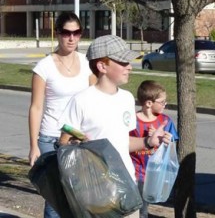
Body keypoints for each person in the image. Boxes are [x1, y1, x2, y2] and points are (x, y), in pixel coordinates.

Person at [57, 35, 172, 218]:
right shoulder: (81, 101)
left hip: (127, 186)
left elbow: (122, 142)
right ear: (102, 66)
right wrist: (76, 145)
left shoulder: (126, 99)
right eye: (122, 62)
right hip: (96, 193)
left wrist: (148, 141)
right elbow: (64, 145)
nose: (129, 66)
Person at [28, 12, 96, 218]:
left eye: (77, 33)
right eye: (66, 33)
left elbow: (93, 101)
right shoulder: (44, 67)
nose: (71, 38)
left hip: (79, 139)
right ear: (57, 34)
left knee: (79, 198)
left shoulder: (87, 63)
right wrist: (34, 146)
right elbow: (36, 108)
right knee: (56, 199)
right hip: (51, 139)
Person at [129, 80, 179, 218]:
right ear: (149, 103)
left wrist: (165, 139)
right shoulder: (132, 121)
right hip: (136, 173)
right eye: (162, 102)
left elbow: (173, 144)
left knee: (146, 205)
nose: (165, 104)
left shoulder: (165, 121)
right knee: (140, 210)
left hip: (155, 173)